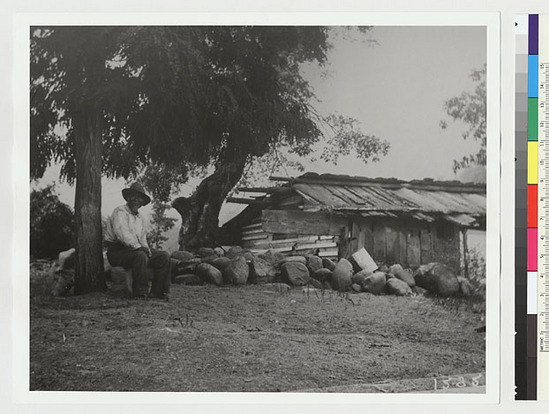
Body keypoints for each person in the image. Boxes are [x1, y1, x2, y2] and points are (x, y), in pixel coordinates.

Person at [104, 183, 171, 300]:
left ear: (142, 202)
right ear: (128, 197)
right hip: (117, 252)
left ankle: (158, 292)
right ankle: (140, 292)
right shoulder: (120, 212)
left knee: (164, 257)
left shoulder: (140, 218)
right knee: (140, 255)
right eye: (133, 196)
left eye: (139, 198)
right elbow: (122, 233)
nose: (136, 200)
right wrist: (139, 248)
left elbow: (142, 238)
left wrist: (147, 249)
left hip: (133, 250)